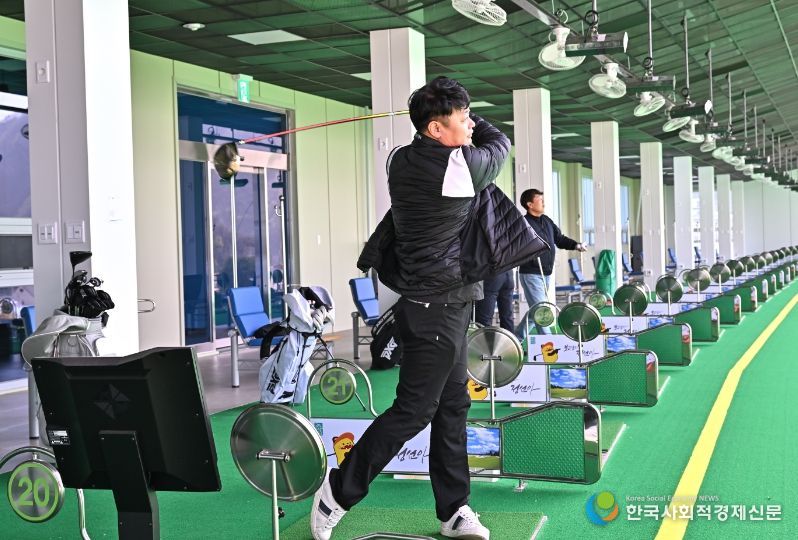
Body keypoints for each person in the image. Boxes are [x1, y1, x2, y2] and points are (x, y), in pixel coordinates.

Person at [310, 76, 511, 540]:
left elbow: (471, 140)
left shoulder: (401, 158)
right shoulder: (456, 168)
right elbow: (499, 145)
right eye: (463, 118)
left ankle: (454, 510)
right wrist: (476, 120)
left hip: (445, 304)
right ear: (436, 130)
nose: (470, 124)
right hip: (434, 308)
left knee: (453, 405)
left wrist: (458, 115)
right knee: (415, 410)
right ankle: (337, 492)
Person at [518, 188, 586, 334]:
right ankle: (548, 342)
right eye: (540, 200)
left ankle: (517, 338)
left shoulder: (546, 220)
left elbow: (559, 239)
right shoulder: (523, 223)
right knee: (542, 310)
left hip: (546, 273)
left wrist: (576, 245)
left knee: (536, 310)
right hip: (531, 273)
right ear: (530, 204)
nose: (544, 203)